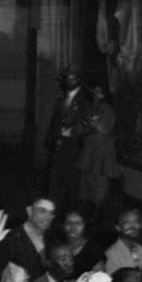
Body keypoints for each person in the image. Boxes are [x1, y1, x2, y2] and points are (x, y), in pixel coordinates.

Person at [47, 69, 95, 204]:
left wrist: (72, 132)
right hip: (58, 149)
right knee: (55, 186)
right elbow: (55, 122)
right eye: (67, 78)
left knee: (72, 187)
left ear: (79, 80)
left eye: (73, 78)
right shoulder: (62, 99)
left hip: (74, 150)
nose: (69, 81)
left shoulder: (84, 102)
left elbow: (89, 125)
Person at [77, 90, 122, 215]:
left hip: (101, 150)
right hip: (90, 149)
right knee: (87, 180)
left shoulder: (106, 109)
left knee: (99, 180)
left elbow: (102, 128)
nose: (95, 94)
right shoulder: (90, 107)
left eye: (98, 92)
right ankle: (88, 210)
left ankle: (98, 212)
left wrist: (91, 124)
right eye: (94, 91)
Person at [103, 209, 142, 275]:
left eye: (136, 222)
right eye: (127, 223)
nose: (133, 226)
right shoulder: (111, 255)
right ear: (118, 227)